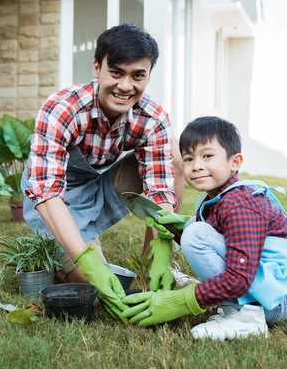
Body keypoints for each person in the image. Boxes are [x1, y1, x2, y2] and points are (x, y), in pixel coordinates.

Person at [21, 24, 185, 322]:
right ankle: (78, 257)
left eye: (138, 76)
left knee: (174, 154)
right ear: (97, 68)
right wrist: (87, 259)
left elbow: (160, 188)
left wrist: (163, 252)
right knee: (90, 282)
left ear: (149, 76)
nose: (125, 86)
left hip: (99, 183)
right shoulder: (62, 108)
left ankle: (152, 270)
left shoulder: (153, 118)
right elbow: (46, 194)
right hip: (54, 200)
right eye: (116, 72)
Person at [121, 116, 287, 340]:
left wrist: (184, 301)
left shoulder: (239, 204)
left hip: (279, 299)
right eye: (189, 159)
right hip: (268, 284)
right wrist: (176, 229)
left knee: (196, 234)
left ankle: (245, 317)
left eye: (208, 156)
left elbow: (239, 278)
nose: (197, 166)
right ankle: (226, 300)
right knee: (195, 227)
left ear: (235, 162)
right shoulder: (217, 197)